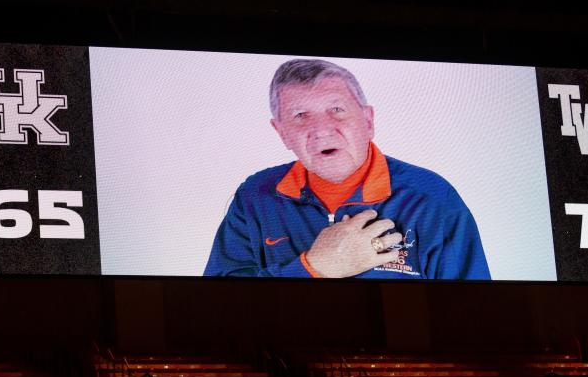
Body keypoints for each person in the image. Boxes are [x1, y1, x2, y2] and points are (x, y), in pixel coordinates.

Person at [203, 58, 490, 279]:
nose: (321, 130)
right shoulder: (255, 197)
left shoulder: (432, 198)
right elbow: (216, 306)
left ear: (368, 121)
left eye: (336, 110)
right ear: (281, 132)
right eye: (300, 115)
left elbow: (473, 315)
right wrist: (312, 266)